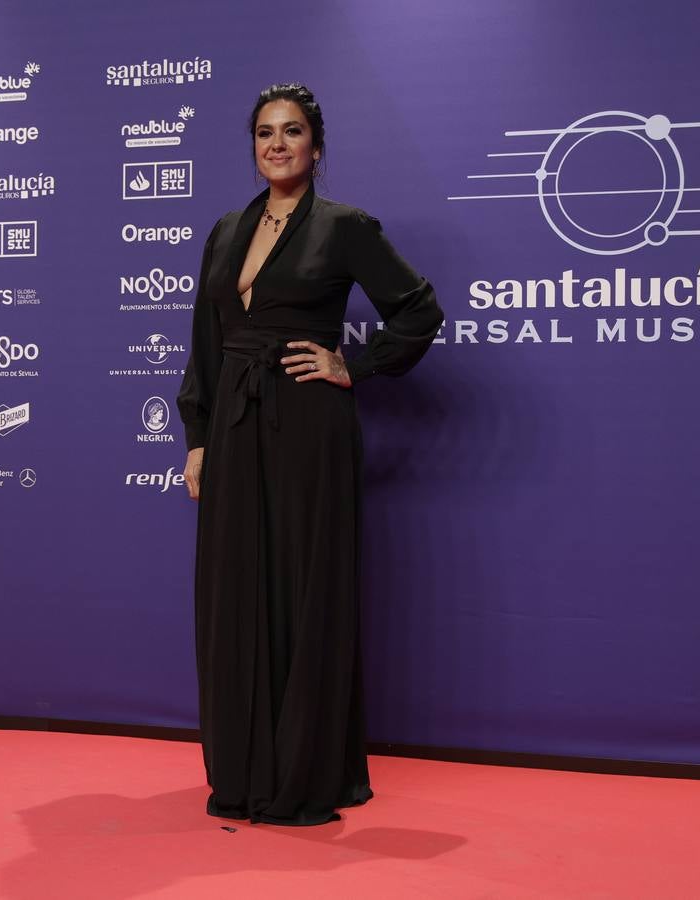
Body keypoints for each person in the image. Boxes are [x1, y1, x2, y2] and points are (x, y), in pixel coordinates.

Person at [176, 83, 443, 826]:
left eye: (292, 132)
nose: (277, 144)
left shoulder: (343, 226)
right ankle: (242, 772)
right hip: (234, 426)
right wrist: (197, 438)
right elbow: (205, 343)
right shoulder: (225, 230)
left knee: (302, 586)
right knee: (235, 593)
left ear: (315, 148)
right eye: (264, 132)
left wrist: (351, 365)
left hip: (307, 423)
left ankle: (302, 772)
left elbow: (418, 310)